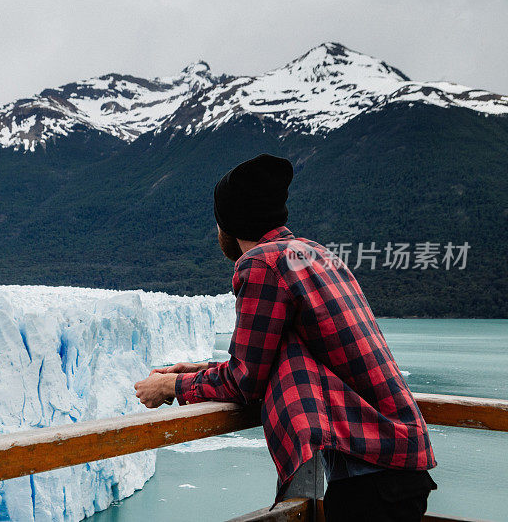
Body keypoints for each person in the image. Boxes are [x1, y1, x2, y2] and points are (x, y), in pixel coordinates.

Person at [133, 154, 437, 521]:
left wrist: (172, 388)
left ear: (228, 223)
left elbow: (245, 380)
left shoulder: (261, 264)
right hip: (397, 467)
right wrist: (197, 370)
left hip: (369, 481)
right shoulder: (316, 254)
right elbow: (271, 356)